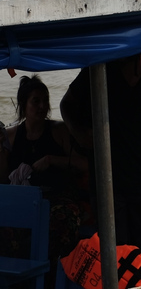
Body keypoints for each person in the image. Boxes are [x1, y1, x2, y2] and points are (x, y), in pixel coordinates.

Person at [60, 42, 141, 250]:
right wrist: (80, 134)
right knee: (114, 250)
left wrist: (135, 137)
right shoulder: (98, 72)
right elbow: (66, 104)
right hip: (108, 182)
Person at [1, 75, 89, 286]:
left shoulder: (58, 131)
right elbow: (3, 180)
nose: (42, 106)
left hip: (57, 198)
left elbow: (85, 164)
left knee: (62, 221)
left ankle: (52, 278)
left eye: (45, 100)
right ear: (23, 105)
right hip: (24, 201)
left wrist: (52, 160)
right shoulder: (11, 136)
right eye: (36, 101)